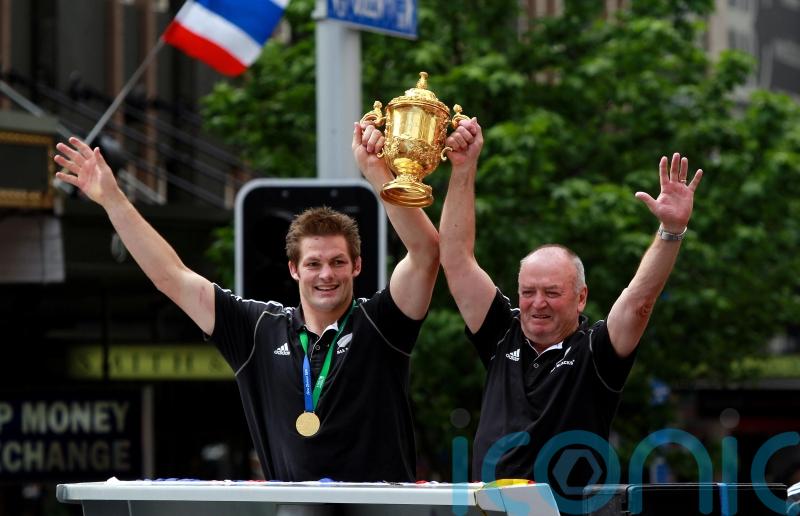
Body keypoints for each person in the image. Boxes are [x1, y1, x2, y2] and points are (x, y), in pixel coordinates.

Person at [53, 127, 439, 482]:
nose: (326, 274)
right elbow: (171, 276)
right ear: (294, 269)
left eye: (338, 262)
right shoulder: (258, 329)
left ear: (357, 266)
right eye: (313, 264)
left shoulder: (380, 323)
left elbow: (426, 253)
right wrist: (113, 199)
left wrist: (376, 173)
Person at [438, 119, 703, 492]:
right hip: (491, 508)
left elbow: (639, 301)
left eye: (552, 292)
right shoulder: (501, 333)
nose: (537, 303)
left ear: (581, 297)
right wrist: (463, 168)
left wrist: (671, 232)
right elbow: (455, 260)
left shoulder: (595, 350)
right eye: (528, 292)